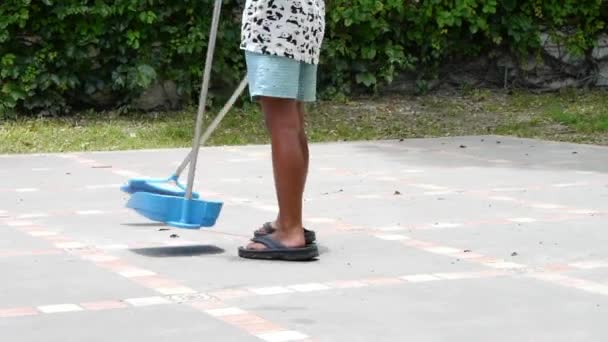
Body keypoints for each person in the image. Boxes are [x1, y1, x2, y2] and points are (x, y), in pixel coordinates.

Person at [237, 0, 325, 261]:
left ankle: (290, 230)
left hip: (275, 21)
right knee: (293, 122)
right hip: (306, 16)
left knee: (282, 124)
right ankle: (287, 219)